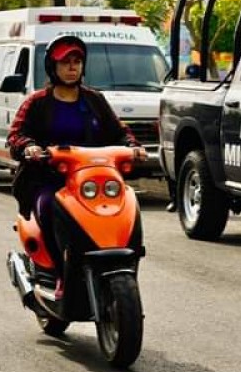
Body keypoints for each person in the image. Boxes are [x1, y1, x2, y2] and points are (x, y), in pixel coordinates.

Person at [7, 35, 144, 297]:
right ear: (52, 67)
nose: (72, 67)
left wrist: (133, 147)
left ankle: (123, 265)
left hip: (92, 181)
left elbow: (120, 133)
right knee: (48, 207)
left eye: (77, 61)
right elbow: (16, 135)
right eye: (65, 62)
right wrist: (29, 147)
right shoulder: (37, 103)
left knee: (129, 207)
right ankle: (61, 274)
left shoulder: (94, 100)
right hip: (49, 181)